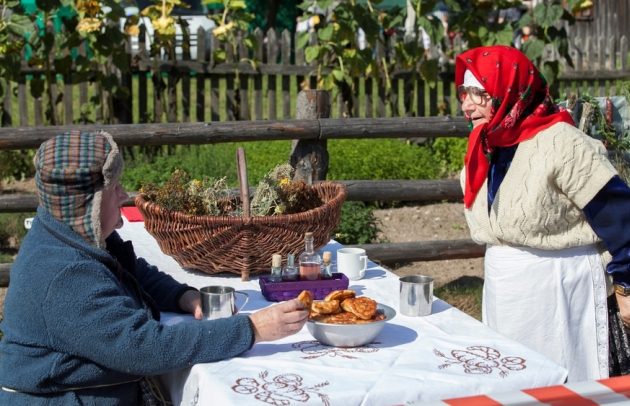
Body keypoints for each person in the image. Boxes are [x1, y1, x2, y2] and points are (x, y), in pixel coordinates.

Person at [0, 131, 309, 404]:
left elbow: (133, 270)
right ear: (87, 205)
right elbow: (143, 348)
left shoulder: (65, 235)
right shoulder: (66, 274)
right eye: (115, 189)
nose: (124, 195)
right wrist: (251, 330)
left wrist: (182, 296)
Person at [455, 45, 630, 382]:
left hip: (560, 292)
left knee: (563, 383)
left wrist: (625, 286)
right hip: (507, 293)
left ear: (508, 89)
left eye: (478, 92)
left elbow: (620, 215)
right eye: (464, 92)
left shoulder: (561, 142)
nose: (466, 104)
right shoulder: (486, 144)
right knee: (511, 382)